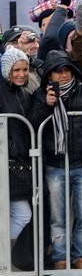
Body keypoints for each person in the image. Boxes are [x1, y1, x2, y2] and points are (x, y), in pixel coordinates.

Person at [35, 51, 82, 270]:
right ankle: (60, 257)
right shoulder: (40, 95)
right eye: (58, 72)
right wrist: (47, 105)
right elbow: (31, 124)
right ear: (49, 76)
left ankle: (80, 256)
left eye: (66, 70)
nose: (63, 75)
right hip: (54, 165)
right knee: (58, 217)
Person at [0, 49, 44, 244]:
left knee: (23, 214)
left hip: (15, 165)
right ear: (7, 70)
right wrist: (8, 148)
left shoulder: (24, 93)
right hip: (4, 161)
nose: (21, 74)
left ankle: (4, 259)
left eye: (25, 69)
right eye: (16, 70)